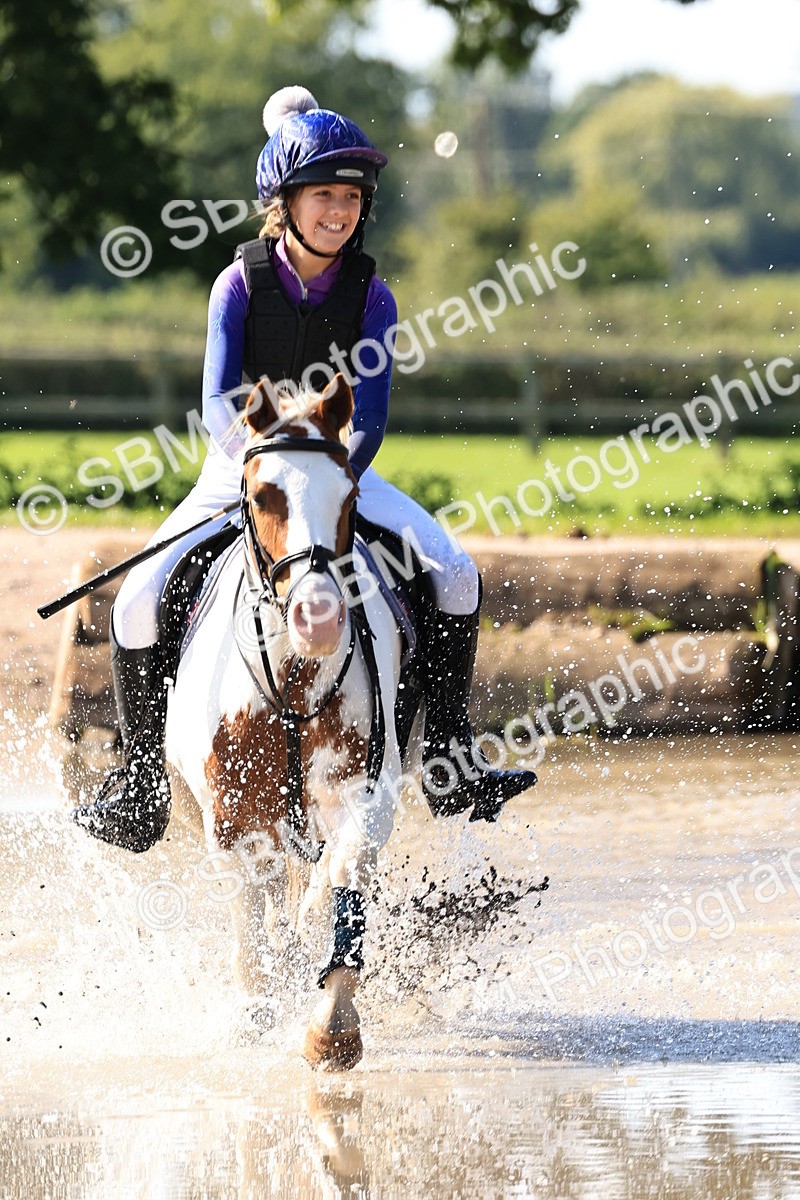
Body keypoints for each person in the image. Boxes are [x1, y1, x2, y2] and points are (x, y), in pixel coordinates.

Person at [73, 86, 536, 853]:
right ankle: (139, 784)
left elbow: (374, 417)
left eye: (352, 197)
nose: (340, 210)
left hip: (336, 468)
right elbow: (220, 404)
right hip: (243, 470)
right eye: (323, 194)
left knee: (455, 573)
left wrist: (326, 481)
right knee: (137, 602)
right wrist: (264, 473)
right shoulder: (238, 285)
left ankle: (451, 750)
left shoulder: (373, 296)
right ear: (283, 203)